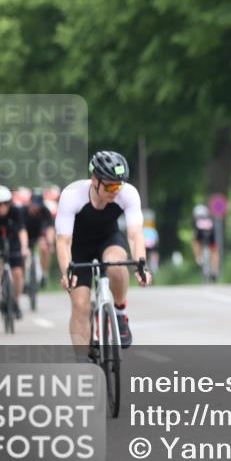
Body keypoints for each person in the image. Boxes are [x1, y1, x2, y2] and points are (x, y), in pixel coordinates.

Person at [55, 151, 152, 359]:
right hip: (78, 247)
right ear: (94, 180)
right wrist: (66, 272)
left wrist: (141, 264)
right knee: (80, 304)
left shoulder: (128, 193)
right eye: (109, 186)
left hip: (108, 239)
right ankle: (83, 365)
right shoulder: (72, 195)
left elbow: (135, 234)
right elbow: (63, 241)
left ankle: (119, 312)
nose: (115, 191)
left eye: (118, 185)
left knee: (117, 265)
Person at [0, 186, 29, 318]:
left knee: (18, 273)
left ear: (9, 202)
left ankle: (16, 302)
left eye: (5, 203)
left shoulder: (16, 212)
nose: (2, 207)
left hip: (13, 241)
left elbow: (22, 231)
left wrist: (24, 247)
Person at [22, 191, 55, 290]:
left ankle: (44, 274)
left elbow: (50, 228)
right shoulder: (22, 211)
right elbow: (20, 230)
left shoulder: (45, 211)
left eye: (38, 205)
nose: (36, 208)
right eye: (34, 205)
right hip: (25, 236)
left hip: (39, 236)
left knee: (45, 248)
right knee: (22, 254)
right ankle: (23, 279)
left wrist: (50, 242)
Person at [191, 204, 218, 280]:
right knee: (214, 251)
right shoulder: (209, 220)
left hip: (201, 236)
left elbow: (195, 235)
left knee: (195, 241)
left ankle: (198, 257)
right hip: (211, 237)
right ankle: (215, 270)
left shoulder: (197, 221)